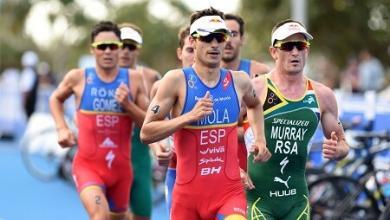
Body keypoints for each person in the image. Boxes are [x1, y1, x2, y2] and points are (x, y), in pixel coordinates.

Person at [140, 7, 270, 220]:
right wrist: (188, 117)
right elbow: (146, 132)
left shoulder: (239, 81)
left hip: (229, 193)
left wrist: (260, 139)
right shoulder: (175, 81)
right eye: (207, 38)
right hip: (187, 198)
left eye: (220, 37)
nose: (214, 44)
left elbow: (255, 105)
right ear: (193, 40)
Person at [244, 19, 350, 220]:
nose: (295, 52)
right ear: (274, 52)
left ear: (307, 51)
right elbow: (226, 132)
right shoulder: (254, 88)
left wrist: (339, 150)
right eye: (287, 46)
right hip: (258, 199)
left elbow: (343, 144)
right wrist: (236, 170)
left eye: (300, 46)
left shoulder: (323, 95)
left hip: (296, 202)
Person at [50, 21, 149, 220]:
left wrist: (129, 105)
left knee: (118, 217)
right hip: (88, 167)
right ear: (92, 50)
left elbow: (149, 124)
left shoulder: (134, 79)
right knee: (99, 214)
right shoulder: (78, 77)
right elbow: (55, 98)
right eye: (101, 47)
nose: (107, 52)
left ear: (119, 48)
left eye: (112, 46)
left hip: (122, 171)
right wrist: (62, 128)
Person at [118, 22, 161, 220]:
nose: (126, 51)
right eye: (121, 45)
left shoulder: (151, 78)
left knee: (143, 216)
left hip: (140, 157)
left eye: (131, 46)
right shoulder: (103, 77)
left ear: (138, 49)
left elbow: (154, 123)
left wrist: (129, 105)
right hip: (112, 157)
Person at [222, 13, 271, 171]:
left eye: (234, 34)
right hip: (216, 158)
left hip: (252, 158)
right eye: (223, 34)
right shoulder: (205, 76)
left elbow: (268, 121)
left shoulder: (260, 72)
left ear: (243, 39)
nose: (228, 40)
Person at [19, 50, 39, 118]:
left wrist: (22, 105)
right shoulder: (32, 73)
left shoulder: (28, 73)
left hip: (28, 105)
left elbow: (26, 91)